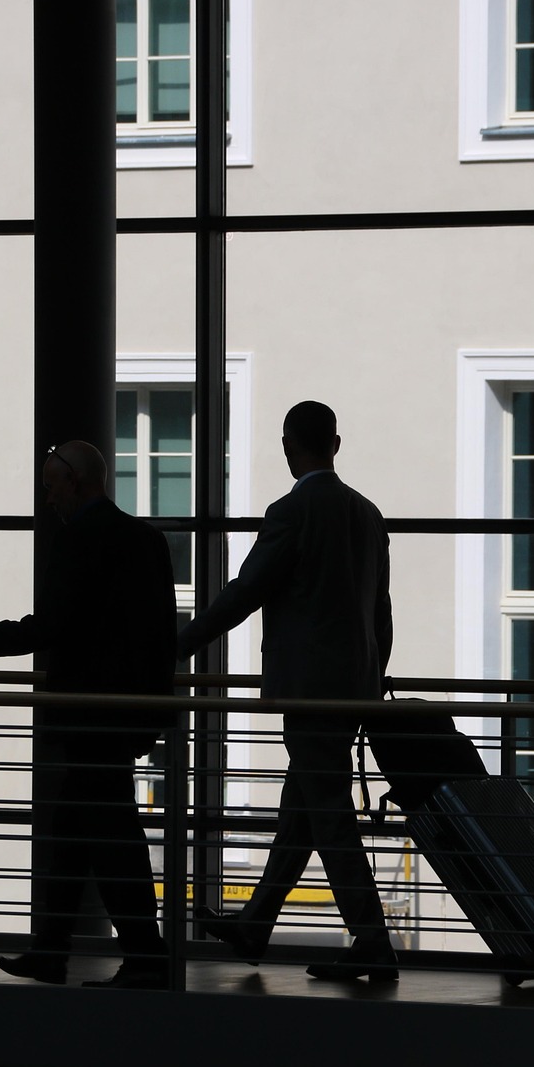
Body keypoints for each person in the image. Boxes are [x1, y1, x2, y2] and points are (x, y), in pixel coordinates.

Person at [0, 440, 178, 990]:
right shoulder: (146, 540)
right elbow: (161, 637)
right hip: (125, 715)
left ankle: (132, 954)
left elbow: (51, 626)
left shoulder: (77, 539)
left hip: (87, 715)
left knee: (104, 836)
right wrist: (153, 715)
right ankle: (63, 949)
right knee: (81, 832)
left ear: (74, 482)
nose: (48, 496)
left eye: (52, 485)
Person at [177, 401, 398, 981]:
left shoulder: (291, 512)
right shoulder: (368, 513)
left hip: (306, 690)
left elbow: (246, 591)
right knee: (302, 811)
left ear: (287, 446)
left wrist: (180, 644)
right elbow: (381, 613)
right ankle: (256, 924)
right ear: (336, 444)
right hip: (354, 689)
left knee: (328, 813)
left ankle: (373, 939)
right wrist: (371, 682)